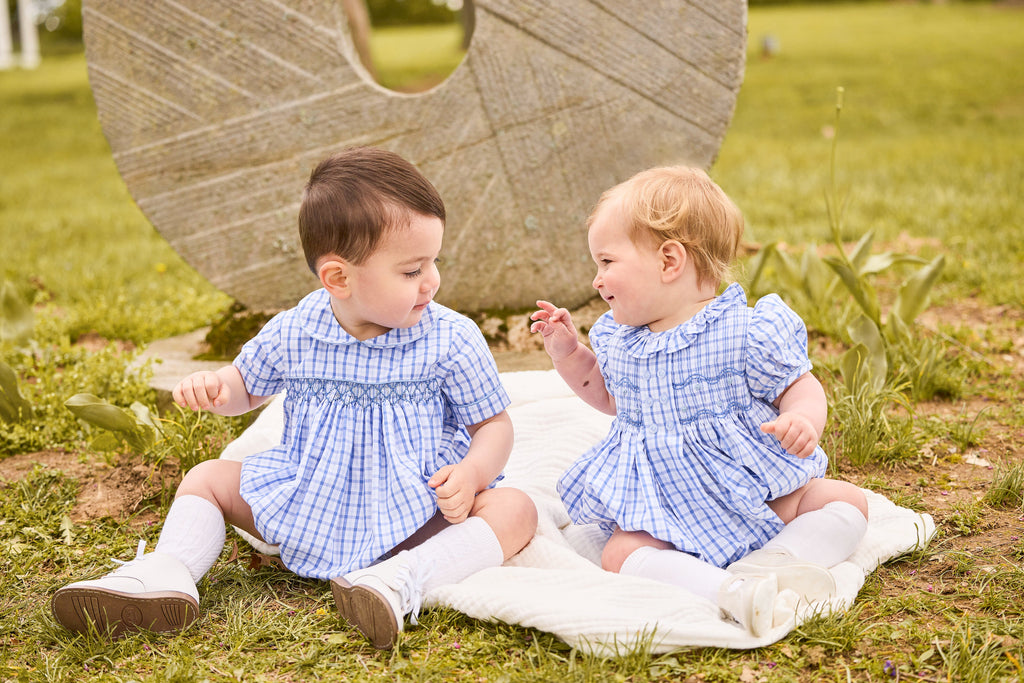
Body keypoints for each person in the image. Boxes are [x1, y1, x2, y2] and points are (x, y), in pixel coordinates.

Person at [52, 147, 538, 649]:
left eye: (434, 262)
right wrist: (219, 389)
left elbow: (493, 426)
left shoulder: (450, 337)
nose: (432, 281)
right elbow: (246, 387)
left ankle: (398, 580)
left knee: (515, 508)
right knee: (208, 479)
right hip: (311, 499)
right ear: (338, 278)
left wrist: (473, 474)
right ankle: (166, 571)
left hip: (417, 510)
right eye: (412, 271)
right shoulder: (296, 330)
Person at [530, 166, 868, 636]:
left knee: (843, 500)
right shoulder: (618, 339)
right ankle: (730, 592)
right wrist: (569, 353)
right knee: (620, 553)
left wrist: (802, 418)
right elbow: (608, 396)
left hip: (752, 490)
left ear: (670, 261)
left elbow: (799, 384)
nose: (596, 279)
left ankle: (779, 562)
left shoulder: (746, 330)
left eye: (606, 262)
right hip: (665, 505)